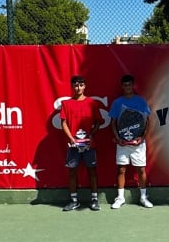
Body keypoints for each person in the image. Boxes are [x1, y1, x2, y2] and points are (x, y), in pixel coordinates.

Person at [60, 75, 104, 211]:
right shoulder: (66, 104)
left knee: (92, 171)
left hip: (89, 145)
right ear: (72, 87)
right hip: (73, 146)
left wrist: (91, 136)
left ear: (84, 86)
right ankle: (74, 200)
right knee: (72, 172)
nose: (78, 88)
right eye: (75, 85)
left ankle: (94, 199)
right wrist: (71, 139)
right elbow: (64, 123)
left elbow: (98, 122)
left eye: (81, 85)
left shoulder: (93, 103)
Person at [109, 74, 153, 209]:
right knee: (121, 169)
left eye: (129, 85)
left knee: (141, 169)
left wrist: (142, 137)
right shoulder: (117, 103)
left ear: (133, 85)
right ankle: (120, 198)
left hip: (138, 144)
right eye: (125, 85)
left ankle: (143, 197)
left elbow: (147, 121)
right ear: (122, 86)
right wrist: (117, 138)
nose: (127, 87)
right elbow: (113, 122)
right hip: (122, 143)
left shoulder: (141, 101)